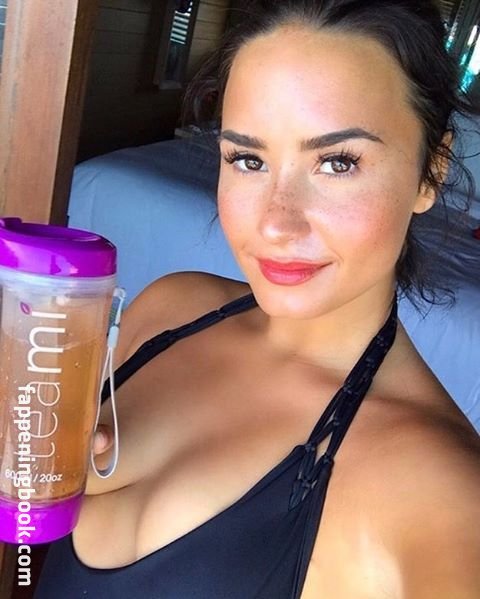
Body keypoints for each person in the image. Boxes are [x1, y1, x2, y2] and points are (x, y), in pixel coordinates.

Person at [35, 1, 480, 597]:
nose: (275, 223)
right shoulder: (170, 307)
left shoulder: (440, 491)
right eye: (248, 159)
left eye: (337, 163)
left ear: (432, 170)